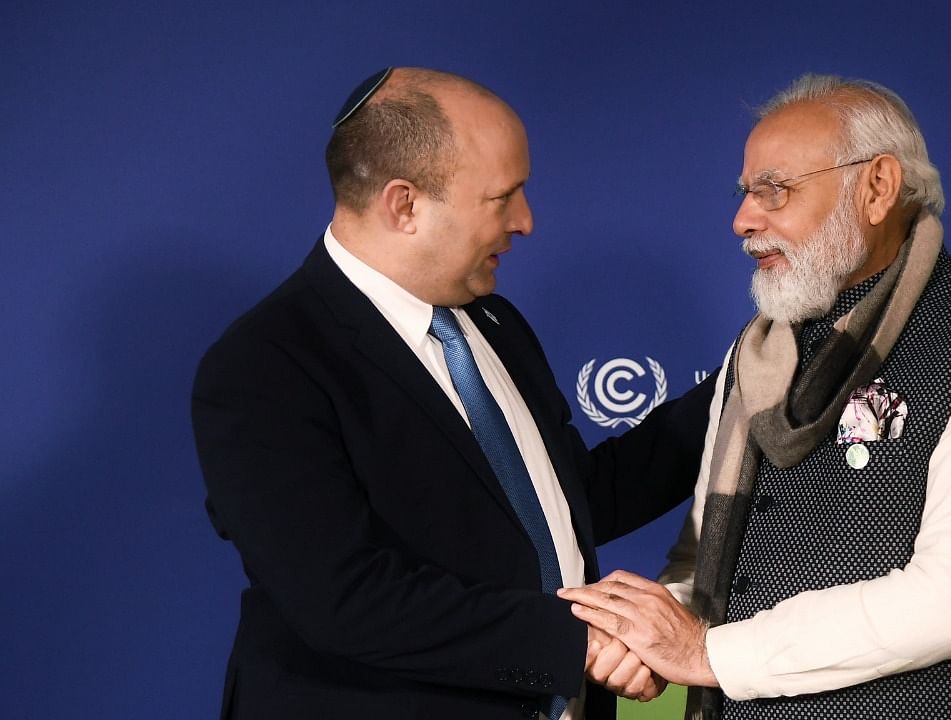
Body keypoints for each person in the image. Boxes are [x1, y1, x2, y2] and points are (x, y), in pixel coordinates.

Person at [191, 67, 711, 720]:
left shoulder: (494, 324)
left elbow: (568, 503)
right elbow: (343, 598)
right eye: (504, 197)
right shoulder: (264, 365)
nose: (526, 221)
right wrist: (575, 642)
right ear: (403, 204)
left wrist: (738, 392)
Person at [559, 74, 951, 718]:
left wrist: (708, 655)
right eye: (746, 192)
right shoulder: (758, 353)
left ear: (877, 187)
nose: (743, 220)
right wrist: (647, 638)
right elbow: (705, 559)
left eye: (775, 190)